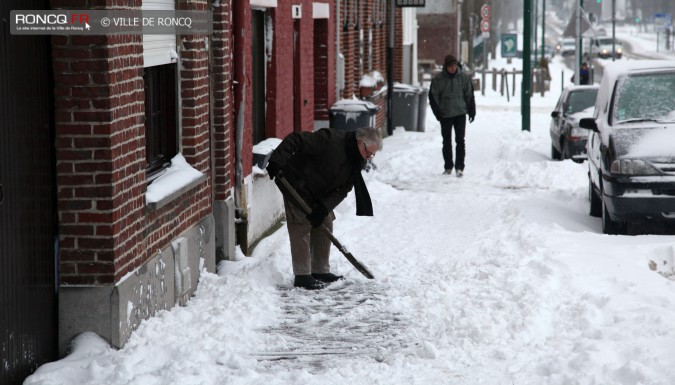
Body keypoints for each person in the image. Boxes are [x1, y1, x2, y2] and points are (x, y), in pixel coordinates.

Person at [266, 126, 383, 290]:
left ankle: (320, 270)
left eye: (372, 155)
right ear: (360, 142)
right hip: (295, 183)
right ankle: (302, 276)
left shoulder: (358, 160)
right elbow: (297, 139)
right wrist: (277, 160)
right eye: (368, 153)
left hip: (319, 194)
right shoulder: (330, 139)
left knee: (325, 220)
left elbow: (345, 188)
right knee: (301, 225)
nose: (369, 158)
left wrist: (324, 207)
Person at [429, 54, 476, 177]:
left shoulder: (464, 78)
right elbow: (433, 96)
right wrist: (438, 113)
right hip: (445, 114)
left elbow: (469, 95)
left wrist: (471, 111)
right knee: (447, 142)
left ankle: (459, 167)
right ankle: (448, 166)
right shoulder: (438, 80)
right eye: (450, 66)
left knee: (460, 141)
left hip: (460, 113)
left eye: (454, 66)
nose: (453, 69)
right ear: (446, 67)